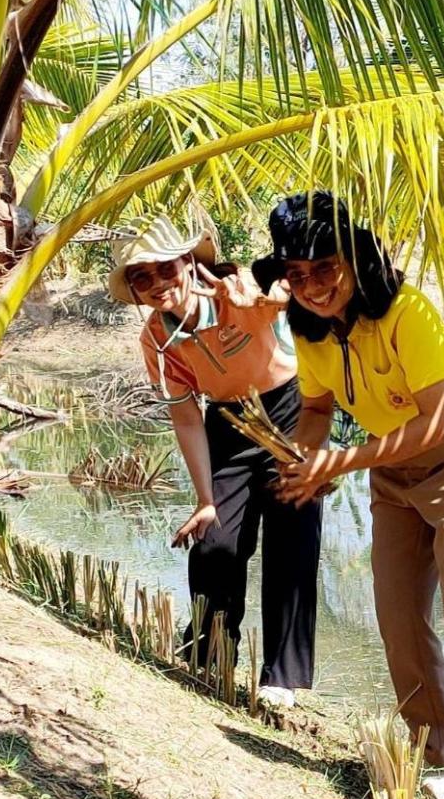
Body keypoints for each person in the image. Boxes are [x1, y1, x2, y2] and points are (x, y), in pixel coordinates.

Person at [255, 193, 444, 799]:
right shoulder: (308, 328)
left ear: (355, 258)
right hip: (389, 461)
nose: (311, 286)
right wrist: (302, 460)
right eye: (296, 274)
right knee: (396, 613)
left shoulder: (405, 311)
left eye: (324, 268)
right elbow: (315, 409)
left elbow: (437, 422)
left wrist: (338, 463)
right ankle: (433, 754)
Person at [111, 216, 322, 709]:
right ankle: (208, 655)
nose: (158, 283)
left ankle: (282, 680)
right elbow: (186, 417)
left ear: (188, 263)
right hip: (226, 420)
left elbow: (297, 297)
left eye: (165, 268)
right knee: (214, 545)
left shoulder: (235, 289)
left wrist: (268, 297)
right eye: (142, 276)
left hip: (289, 409)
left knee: (292, 543)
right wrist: (205, 500)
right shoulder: (155, 339)